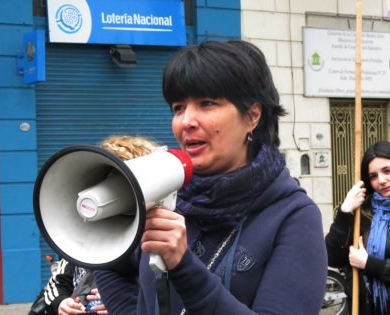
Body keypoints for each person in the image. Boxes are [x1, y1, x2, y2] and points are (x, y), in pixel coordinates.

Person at [94, 40, 328, 315]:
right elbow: (107, 261)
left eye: (207, 104)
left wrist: (183, 267)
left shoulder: (294, 217)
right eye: (179, 107)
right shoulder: (164, 197)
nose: (186, 121)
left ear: (252, 116)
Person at [44, 135, 159, 315]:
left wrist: (119, 302)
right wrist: (61, 302)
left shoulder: (154, 239)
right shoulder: (81, 234)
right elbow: (58, 281)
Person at [326, 140, 390, 315]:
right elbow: (332, 258)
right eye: (373, 176)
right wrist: (345, 211)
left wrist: (368, 263)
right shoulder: (364, 211)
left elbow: (367, 263)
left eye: (387, 171)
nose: (381, 181)